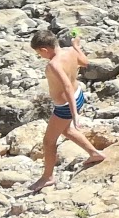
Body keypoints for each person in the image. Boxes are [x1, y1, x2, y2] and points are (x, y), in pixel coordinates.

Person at [28, 30, 105, 193]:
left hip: (65, 106)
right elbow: (84, 62)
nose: (40, 56)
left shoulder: (53, 64)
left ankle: (47, 177)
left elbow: (67, 86)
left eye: (39, 53)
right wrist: (76, 47)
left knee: (49, 141)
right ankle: (94, 153)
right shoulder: (70, 52)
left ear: (44, 50)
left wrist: (74, 114)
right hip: (79, 96)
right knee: (66, 129)